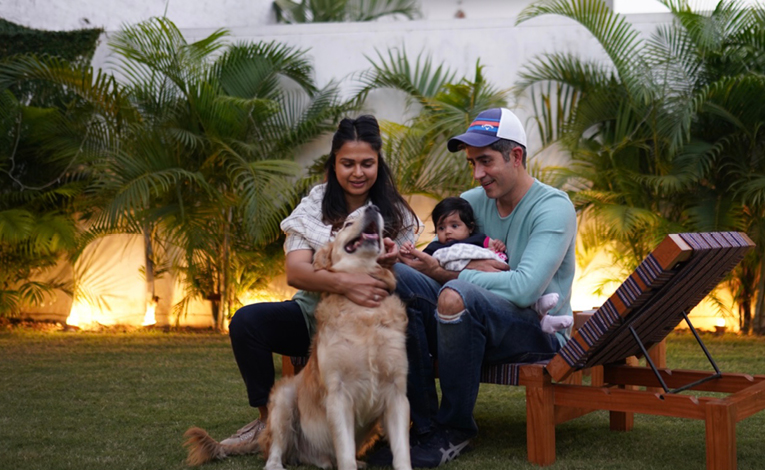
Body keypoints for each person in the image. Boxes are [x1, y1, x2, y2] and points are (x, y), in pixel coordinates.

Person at [385, 107, 577, 468]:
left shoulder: (553, 208)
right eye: (472, 163)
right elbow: (434, 260)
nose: (477, 174)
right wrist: (408, 258)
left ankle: (455, 428)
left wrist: (452, 275)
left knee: (458, 294)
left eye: (485, 161)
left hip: (536, 332)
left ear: (515, 156)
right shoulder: (472, 202)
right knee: (395, 274)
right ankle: (422, 425)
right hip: (467, 324)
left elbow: (523, 290)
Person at [223, 115, 422, 450]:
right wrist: (345, 284)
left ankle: (415, 425)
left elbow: (410, 271)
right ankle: (264, 420)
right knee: (247, 322)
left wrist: (393, 262)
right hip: (317, 317)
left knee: (414, 315)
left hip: (375, 322)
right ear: (334, 165)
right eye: (347, 163)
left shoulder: (395, 211)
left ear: (378, 164)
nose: (357, 173)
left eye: (367, 164)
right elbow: (296, 271)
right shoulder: (314, 205)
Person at [407, 196, 572, 335]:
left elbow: (493, 246)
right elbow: (423, 261)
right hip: (472, 293)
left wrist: (497, 246)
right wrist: (409, 252)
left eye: (454, 226)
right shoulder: (438, 247)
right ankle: (541, 314)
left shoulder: (477, 239)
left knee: (507, 289)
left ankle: (541, 311)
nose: (448, 231)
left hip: (494, 282)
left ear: (470, 227)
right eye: (441, 228)